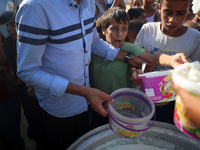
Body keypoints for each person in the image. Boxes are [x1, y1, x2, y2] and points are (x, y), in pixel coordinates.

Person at [16, 0, 147, 149]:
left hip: (85, 105)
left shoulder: (88, 3)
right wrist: (83, 91)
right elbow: (27, 71)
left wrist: (128, 57)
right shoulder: (35, 7)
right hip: (60, 109)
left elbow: (94, 43)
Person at [90, 7, 189, 129]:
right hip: (98, 104)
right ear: (104, 30)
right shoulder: (94, 50)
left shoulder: (128, 47)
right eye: (114, 29)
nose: (119, 34)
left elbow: (153, 58)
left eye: (124, 29)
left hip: (123, 106)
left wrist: (171, 59)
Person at [134, 0, 200, 123]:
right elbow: (133, 60)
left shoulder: (195, 38)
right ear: (159, 7)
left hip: (176, 102)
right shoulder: (148, 30)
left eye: (180, 13)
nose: (172, 20)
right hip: (146, 97)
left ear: (188, 11)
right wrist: (135, 71)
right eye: (167, 12)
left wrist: (192, 69)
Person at [0, 20, 25, 150]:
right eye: (7, 25)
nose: (9, 29)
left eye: (14, 25)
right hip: (18, 94)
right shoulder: (10, 43)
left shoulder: (29, 43)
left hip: (9, 98)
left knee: (12, 136)